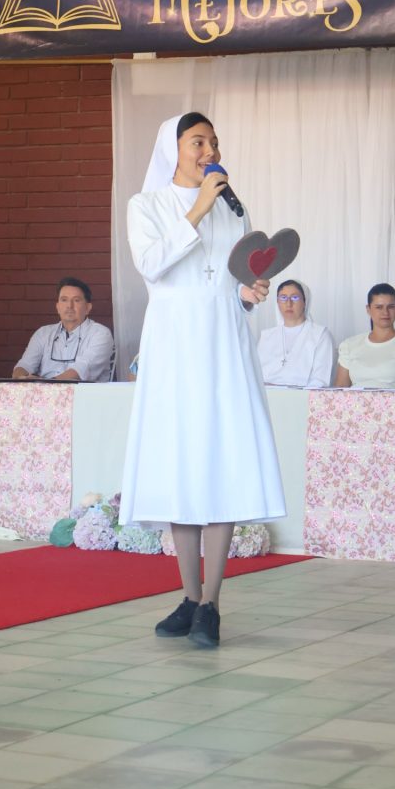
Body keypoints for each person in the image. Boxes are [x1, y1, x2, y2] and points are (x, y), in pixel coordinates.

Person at [118, 112, 286, 648]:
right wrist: (197, 210)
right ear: (174, 149)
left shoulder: (234, 211)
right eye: (198, 141)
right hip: (174, 348)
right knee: (182, 464)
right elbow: (152, 265)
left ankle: (211, 602)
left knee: (222, 462)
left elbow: (230, 284)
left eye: (213, 141)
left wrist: (249, 294)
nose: (209, 150)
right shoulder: (146, 206)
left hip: (224, 348)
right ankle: (189, 597)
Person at [12, 277, 114, 382]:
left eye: (76, 300)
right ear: (58, 307)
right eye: (64, 300)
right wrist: (20, 377)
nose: (69, 306)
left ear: (88, 308)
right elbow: (25, 364)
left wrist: (45, 384)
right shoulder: (43, 333)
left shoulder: (100, 334)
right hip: (42, 390)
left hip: (83, 391)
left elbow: (81, 370)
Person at [335, 282, 395, 390]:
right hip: (354, 402)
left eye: (390, 307)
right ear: (368, 309)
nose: (385, 312)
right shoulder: (349, 345)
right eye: (379, 307)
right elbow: (339, 391)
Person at [257, 279, 333, 387]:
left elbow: (320, 380)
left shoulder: (320, 335)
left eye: (295, 297)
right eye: (283, 298)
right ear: (277, 302)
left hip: (304, 396)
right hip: (267, 394)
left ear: (305, 301)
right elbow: (257, 375)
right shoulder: (266, 336)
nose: (288, 303)